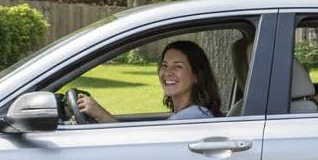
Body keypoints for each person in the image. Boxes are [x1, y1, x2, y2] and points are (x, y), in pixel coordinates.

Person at [76, 40, 222, 122]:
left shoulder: (193, 116)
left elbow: (139, 149)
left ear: (196, 75)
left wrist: (100, 114)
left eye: (178, 66)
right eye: (164, 66)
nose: (167, 73)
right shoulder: (185, 114)